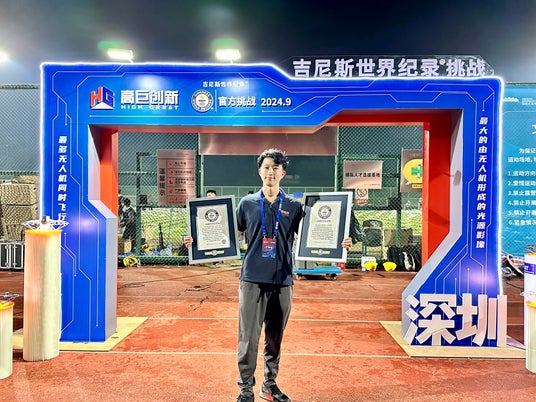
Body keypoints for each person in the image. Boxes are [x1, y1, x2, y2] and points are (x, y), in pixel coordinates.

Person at [184, 149, 352, 402]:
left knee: (275, 338)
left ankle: (269, 385)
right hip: (251, 279)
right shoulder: (247, 204)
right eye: (266, 167)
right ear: (259, 171)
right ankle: (245, 389)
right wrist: (198, 241)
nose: (270, 172)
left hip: (282, 280)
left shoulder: (294, 206)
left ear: (283, 173)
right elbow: (228, 235)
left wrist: (340, 242)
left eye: (275, 167)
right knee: (248, 338)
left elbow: (314, 234)